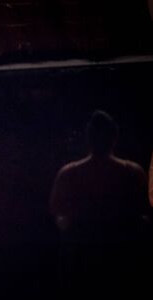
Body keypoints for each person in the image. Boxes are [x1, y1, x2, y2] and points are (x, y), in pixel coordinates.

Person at [50, 110, 150, 298]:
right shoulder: (130, 172)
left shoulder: (131, 172)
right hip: (91, 257)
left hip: (118, 257)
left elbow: (144, 212)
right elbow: (57, 212)